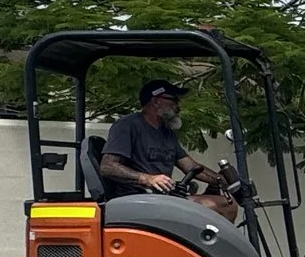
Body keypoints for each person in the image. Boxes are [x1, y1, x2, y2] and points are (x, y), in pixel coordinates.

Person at [100, 80, 238, 217]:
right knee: (227, 206)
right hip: (138, 200)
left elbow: (190, 167)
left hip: (163, 197)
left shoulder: (166, 132)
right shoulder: (127, 125)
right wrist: (147, 179)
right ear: (156, 101)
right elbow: (107, 167)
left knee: (224, 200)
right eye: (174, 100)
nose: (178, 106)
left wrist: (220, 179)